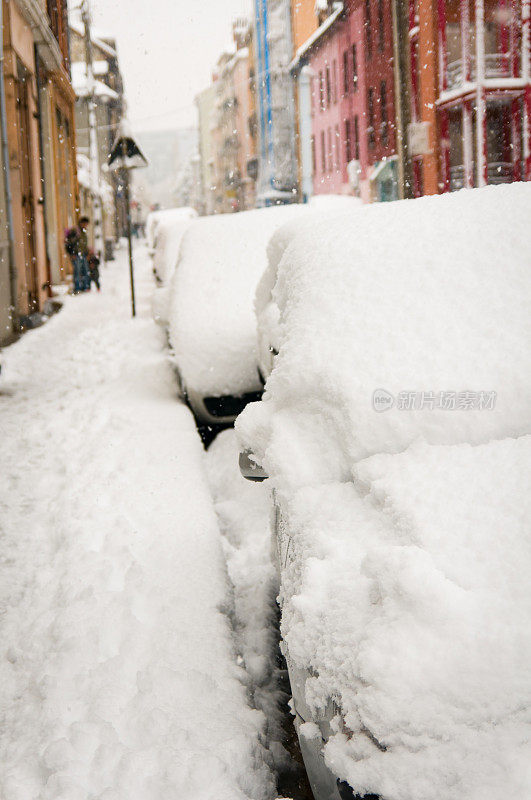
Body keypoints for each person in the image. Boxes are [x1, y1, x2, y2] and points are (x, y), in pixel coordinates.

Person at [64, 216, 90, 293]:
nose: (86, 226)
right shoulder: (75, 231)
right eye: (85, 224)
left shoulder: (83, 232)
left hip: (83, 254)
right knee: (77, 272)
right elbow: (69, 243)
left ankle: (85, 287)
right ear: (82, 223)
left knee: (85, 271)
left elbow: (84, 244)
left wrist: (87, 253)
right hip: (76, 254)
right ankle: (77, 288)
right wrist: (72, 254)